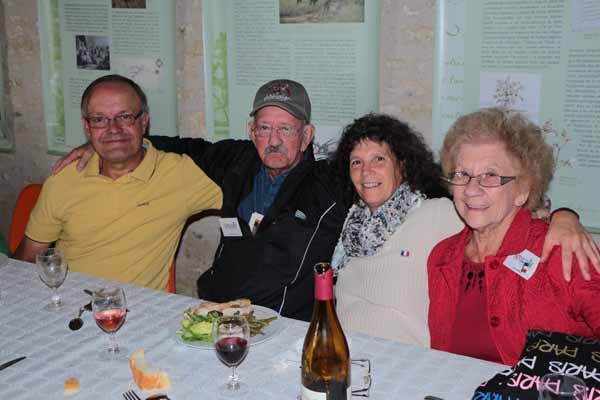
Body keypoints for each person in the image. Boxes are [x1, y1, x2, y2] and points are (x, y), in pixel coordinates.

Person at [53, 80, 598, 321]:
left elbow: (465, 189)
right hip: (213, 311)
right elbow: (168, 142)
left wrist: (560, 214)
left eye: (286, 129)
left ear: (308, 135)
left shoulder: (334, 182)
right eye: (264, 127)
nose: (274, 140)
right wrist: (105, 140)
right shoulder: (232, 160)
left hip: (282, 325)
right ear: (251, 130)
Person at [15, 74, 223, 291]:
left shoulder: (180, 174)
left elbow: (244, 176)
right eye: (99, 120)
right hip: (72, 302)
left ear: (144, 122)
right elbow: (27, 259)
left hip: (138, 307)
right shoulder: (64, 179)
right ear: (87, 127)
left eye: (124, 117)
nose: (113, 129)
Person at [428, 107, 600, 366]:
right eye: (462, 174)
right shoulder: (442, 258)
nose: (472, 189)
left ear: (522, 191)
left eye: (490, 175)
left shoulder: (561, 251)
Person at [331, 113, 462, 346]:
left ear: (402, 165)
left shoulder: (436, 214)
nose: (366, 171)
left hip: (406, 358)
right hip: (346, 351)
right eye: (356, 162)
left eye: (378, 159)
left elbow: (496, 229)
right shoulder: (351, 223)